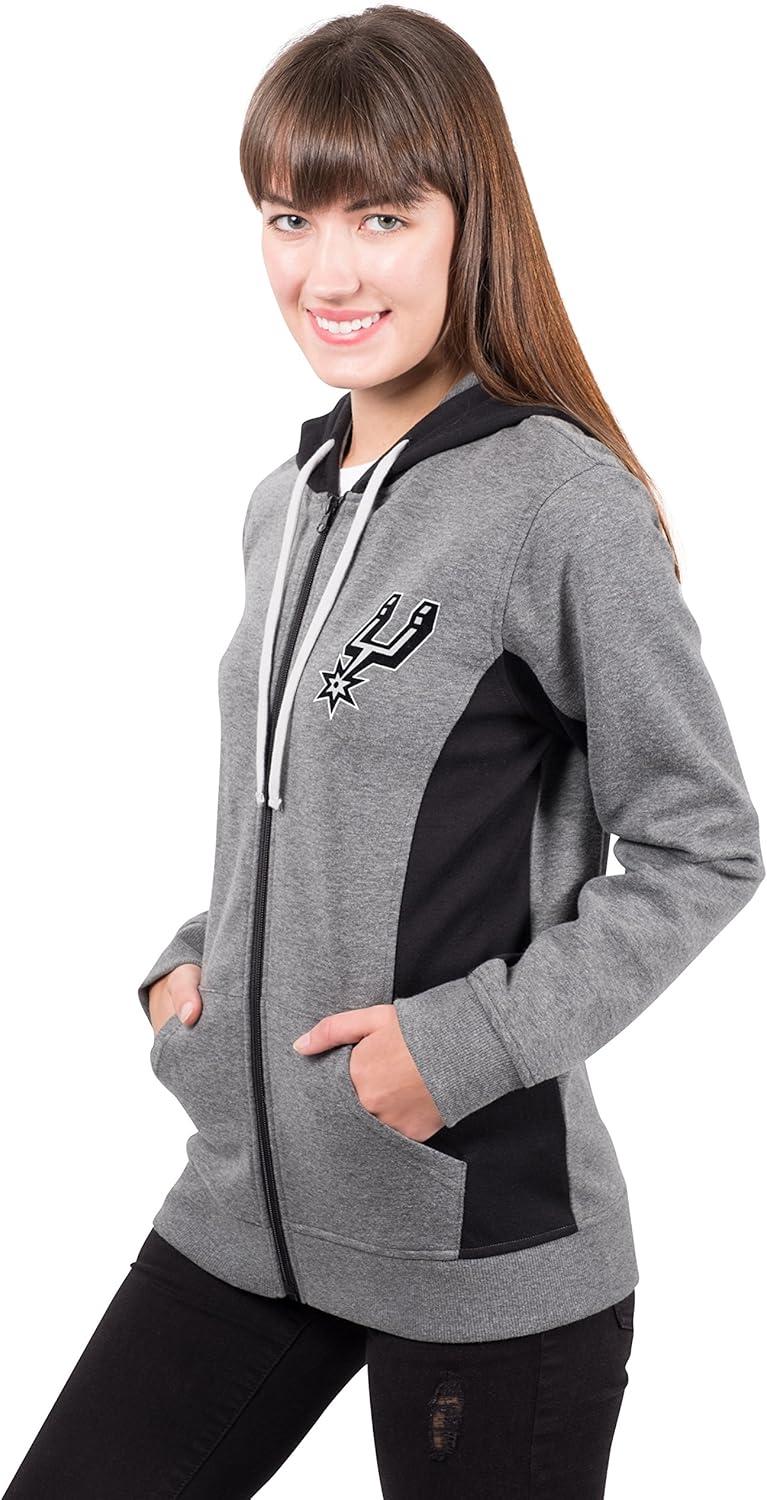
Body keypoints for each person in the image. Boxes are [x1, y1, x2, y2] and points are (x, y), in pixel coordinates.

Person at [4, 7, 763, 1498]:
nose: (329, 273)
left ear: (470, 224)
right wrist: (194, 968)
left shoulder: (559, 502)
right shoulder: (284, 502)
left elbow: (705, 842)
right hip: (247, 1213)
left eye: (383, 217)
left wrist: (461, 1050)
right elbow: (298, 815)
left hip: (482, 1243)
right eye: (292, 217)